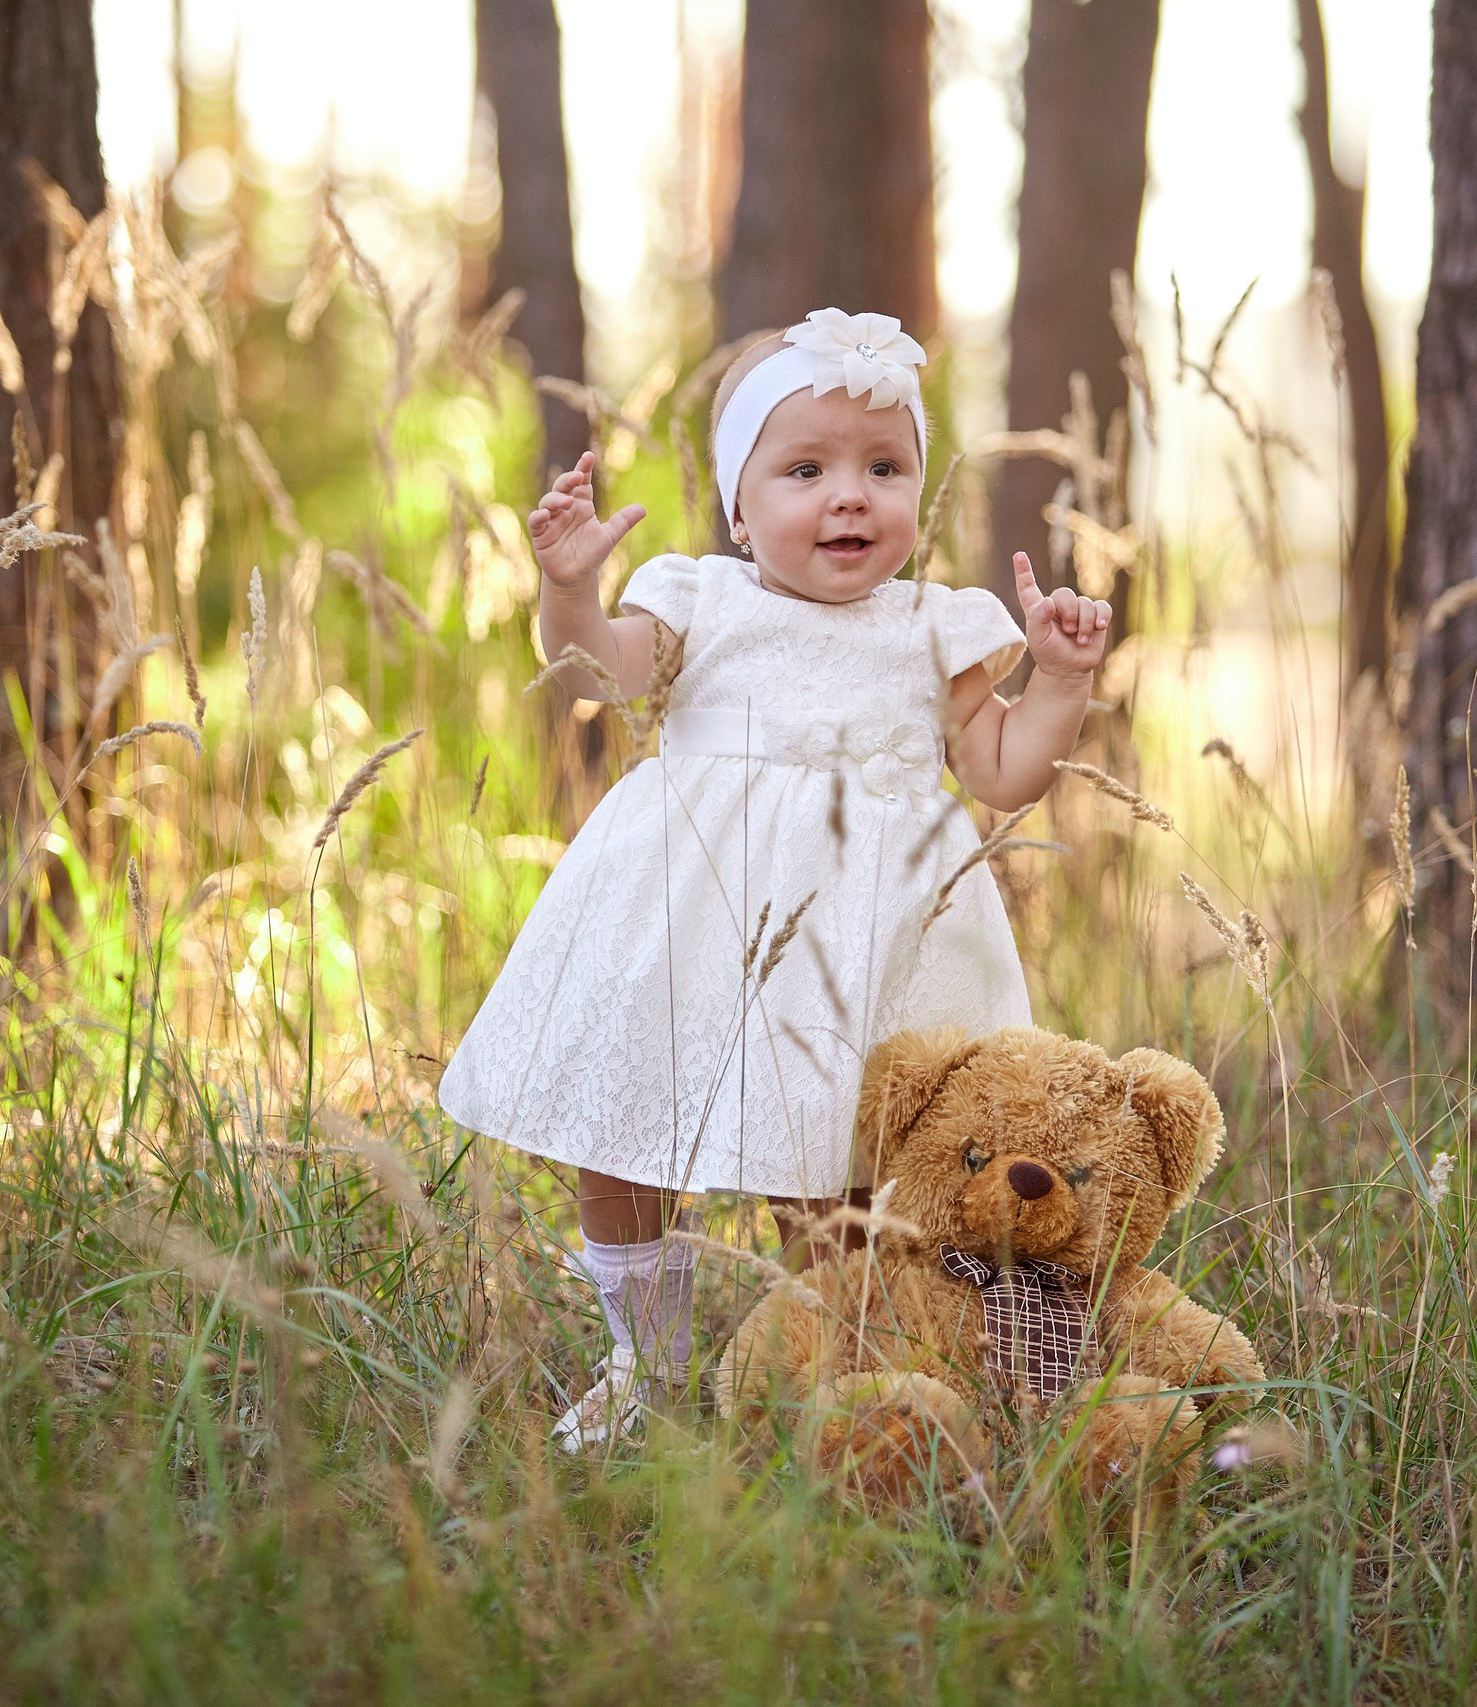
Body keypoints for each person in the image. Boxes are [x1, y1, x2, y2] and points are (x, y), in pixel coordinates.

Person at [439, 307, 1111, 1448]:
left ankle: (828, 1359)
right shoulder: (702, 599)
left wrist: (1055, 679)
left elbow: (1002, 776)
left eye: (883, 468)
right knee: (632, 1127)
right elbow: (596, 675)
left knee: (842, 1164)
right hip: (694, 911)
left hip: (875, 935)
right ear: (739, 509)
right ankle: (643, 1358)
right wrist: (567, 591)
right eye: (805, 469)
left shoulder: (930, 627)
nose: (849, 495)